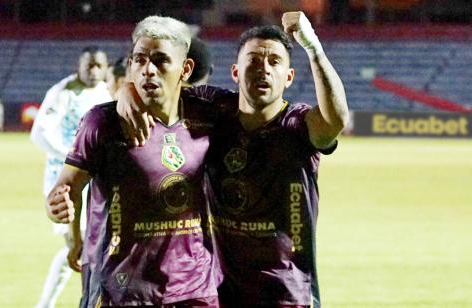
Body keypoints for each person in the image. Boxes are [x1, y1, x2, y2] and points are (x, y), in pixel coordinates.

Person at [113, 11, 349, 307]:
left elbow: (335, 120)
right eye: (253, 60)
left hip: (287, 293)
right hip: (220, 290)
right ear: (236, 72)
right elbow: (160, 91)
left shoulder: (296, 124)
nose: (263, 69)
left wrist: (313, 48)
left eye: (274, 62)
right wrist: (128, 89)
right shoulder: (213, 109)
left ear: (288, 78)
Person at [45, 16, 222, 307]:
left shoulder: (211, 115)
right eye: (139, 60)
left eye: (161, 60)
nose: (148, 70)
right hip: (123, 290)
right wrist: (56, 206)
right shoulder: (102, 123)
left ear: (185, 69)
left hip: (195, 289)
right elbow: (66, 190)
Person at [30, 46, 111, 308]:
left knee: (87, 244)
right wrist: (71, 156)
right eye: (89, 65)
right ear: (79, 65)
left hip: (94, 182)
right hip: (63, 180)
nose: (94, 70)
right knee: (77, 244)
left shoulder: (103, 91)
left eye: (99, 65)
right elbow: (39, 133)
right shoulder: (64, 92)